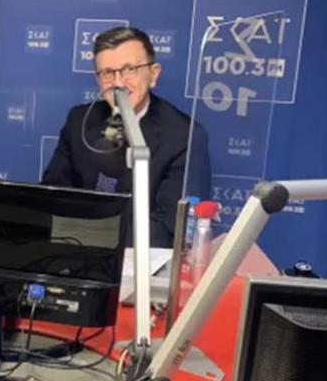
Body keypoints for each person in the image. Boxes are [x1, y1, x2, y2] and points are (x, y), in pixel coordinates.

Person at [42, 26, 210, 247]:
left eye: (130, 69)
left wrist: (95, 240)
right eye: (107, 73)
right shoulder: (79, 120)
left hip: (141, 257)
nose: (119, 83)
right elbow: (53, 197)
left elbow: (169, 227)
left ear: (153, 74)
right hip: (76, 250)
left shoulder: (185, 136)